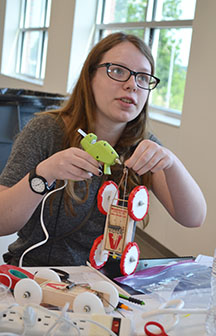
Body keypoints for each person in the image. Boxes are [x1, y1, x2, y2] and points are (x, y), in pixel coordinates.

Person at [0, 32, 206, 267]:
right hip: (37, 277)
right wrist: (45, 172)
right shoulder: (46, 130)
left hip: (109, 285)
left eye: (143, 77)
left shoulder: (142, 146)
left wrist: (171, 162)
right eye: (118, 71)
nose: (131, 85)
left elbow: (194, 217)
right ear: (89, 77)